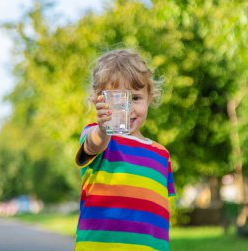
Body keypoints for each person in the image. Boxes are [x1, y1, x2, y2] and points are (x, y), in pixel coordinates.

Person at [74, 49, 175, 251]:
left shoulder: (161, 154)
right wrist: (103, 129)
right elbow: (93, 144)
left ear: (149, 97)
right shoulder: (100, 137)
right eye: (118, 100)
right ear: (98, 101)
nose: (128, 109)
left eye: (136, 98)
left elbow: (159, 213)